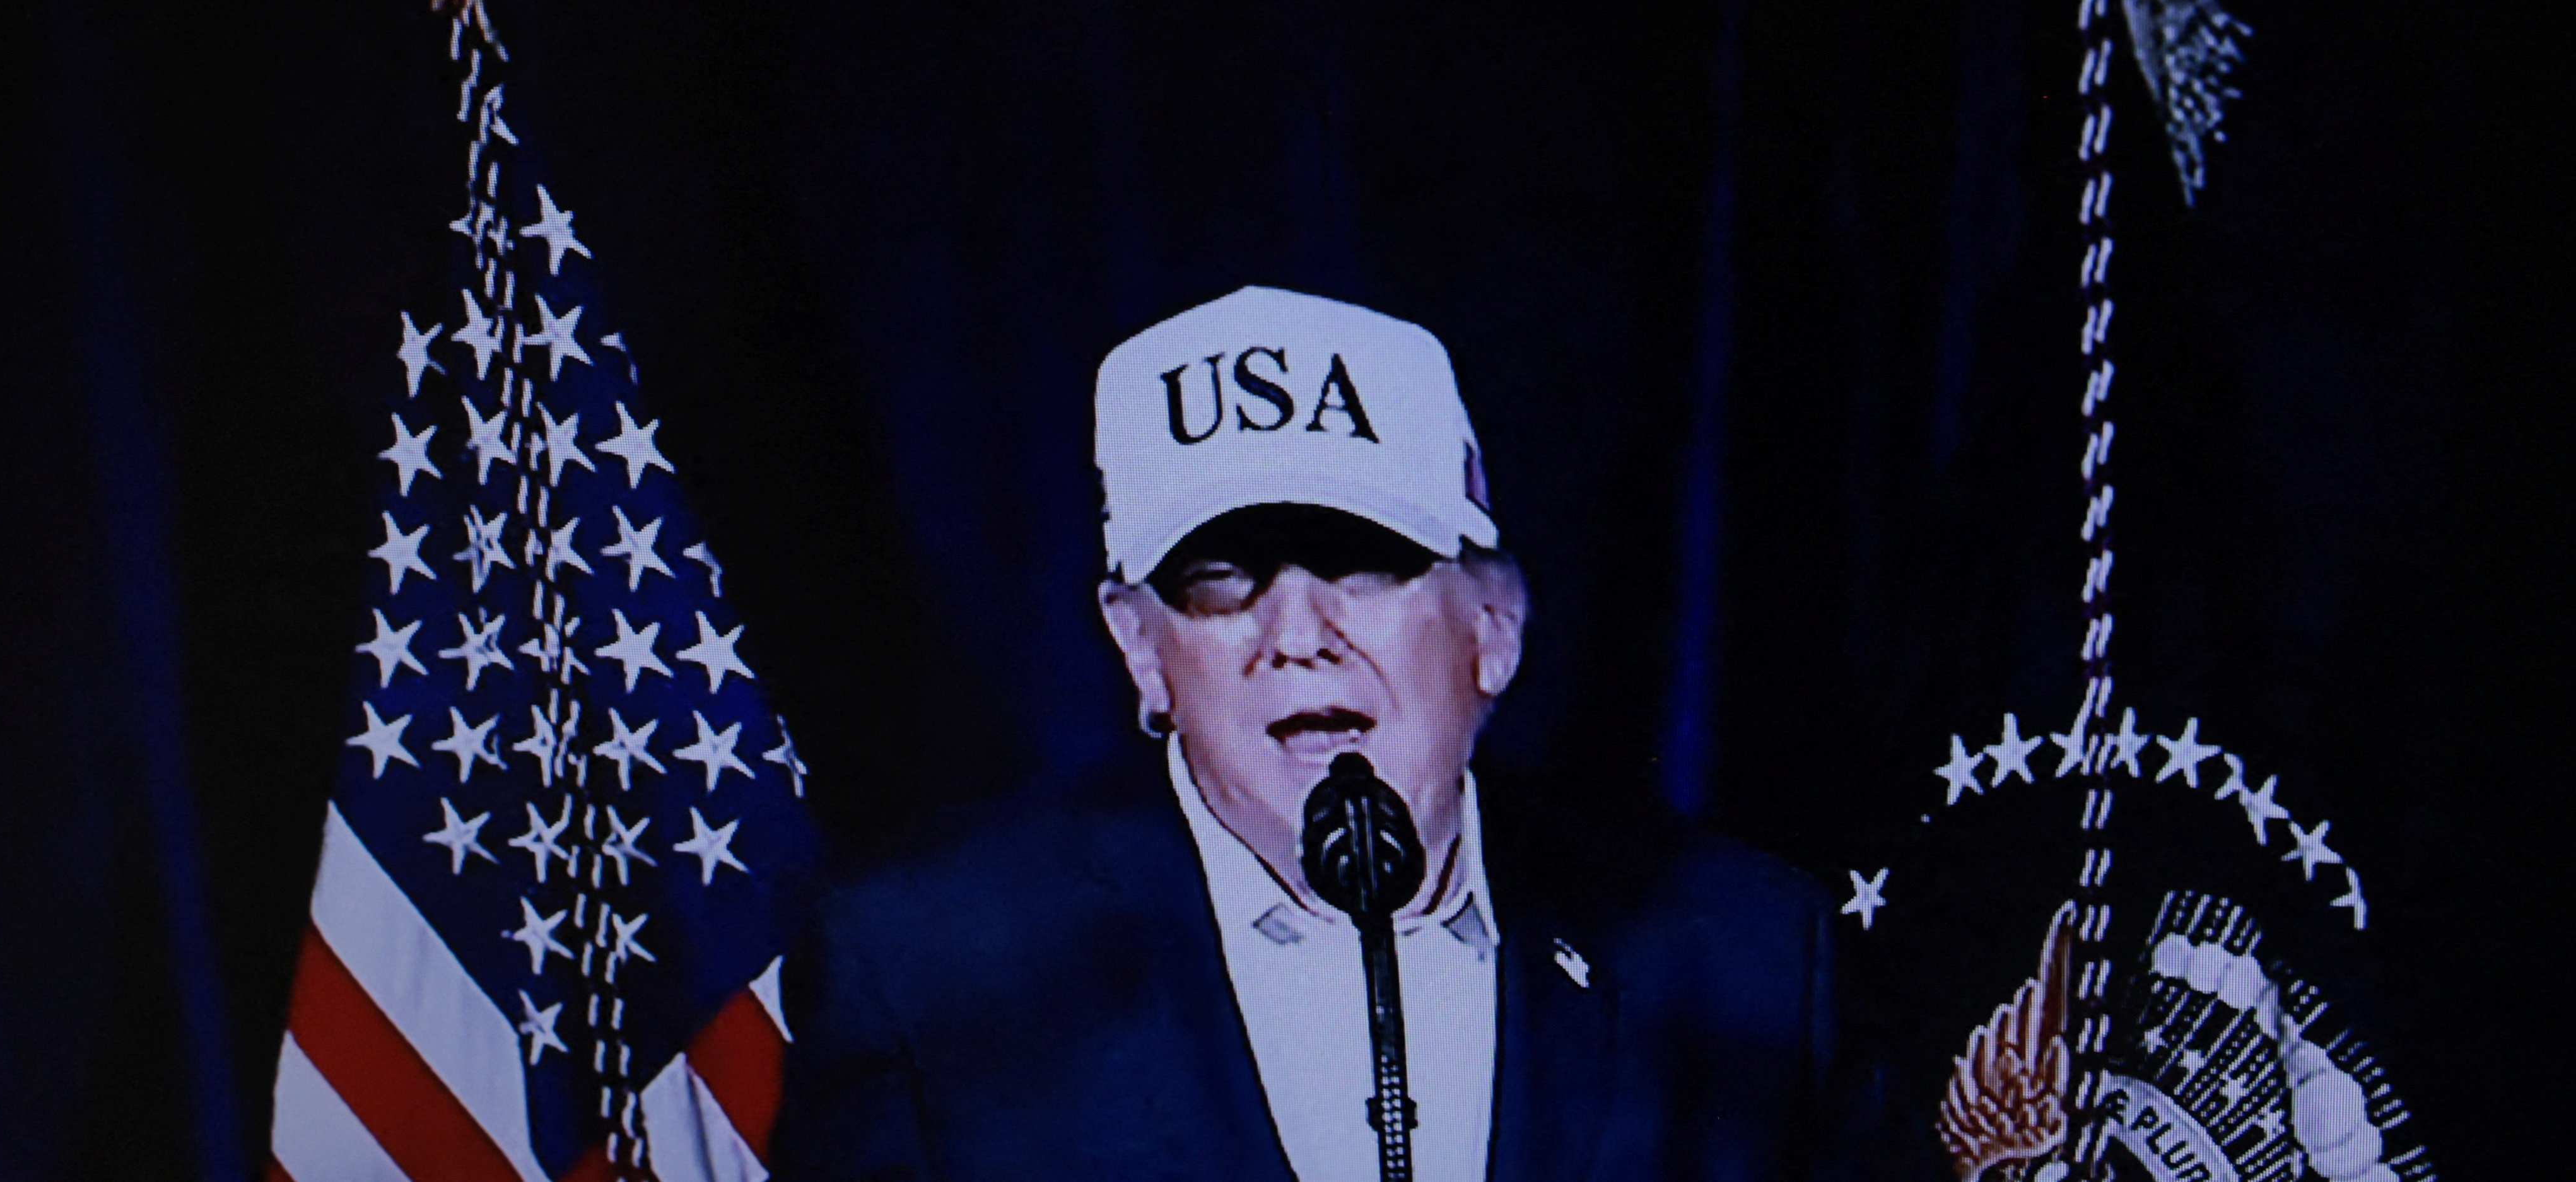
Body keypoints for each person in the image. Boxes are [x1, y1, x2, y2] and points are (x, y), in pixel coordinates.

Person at [771, 284, 1837, 1182]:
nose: (1297, 635)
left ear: (1493, 625)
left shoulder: (1741, 950)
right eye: (1220, 578)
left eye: (1362, 561)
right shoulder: (928, 971)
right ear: (1142, 650)